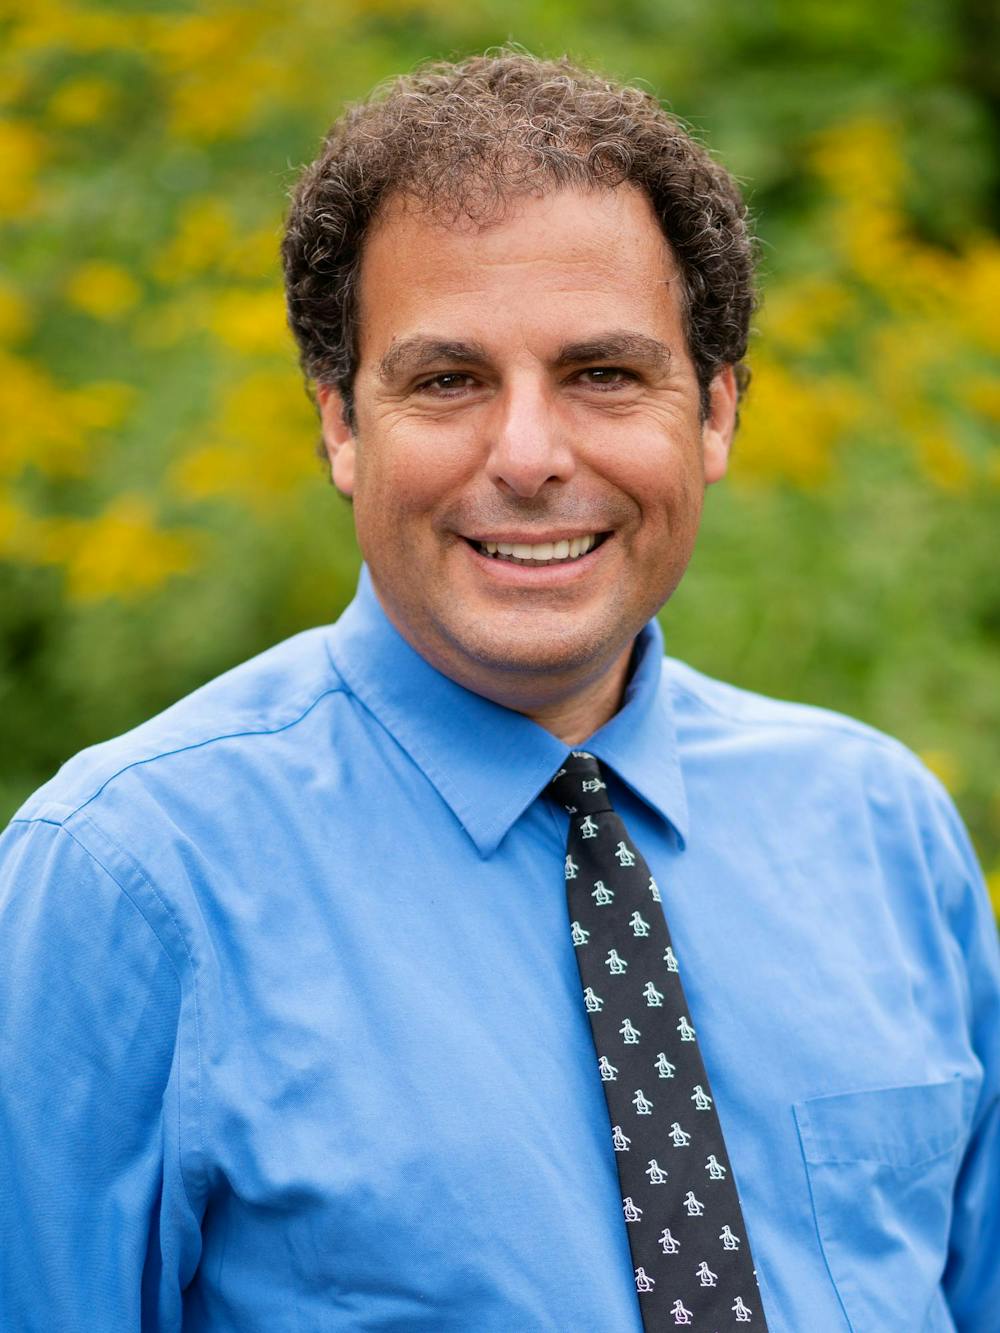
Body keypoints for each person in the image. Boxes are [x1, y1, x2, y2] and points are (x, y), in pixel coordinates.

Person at [1, 50, 997, 1333]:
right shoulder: (125, 886)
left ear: (717, 414)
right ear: (340, 427)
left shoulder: (880, 831)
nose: (528, 457)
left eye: (603, 374)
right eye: (448, 381)